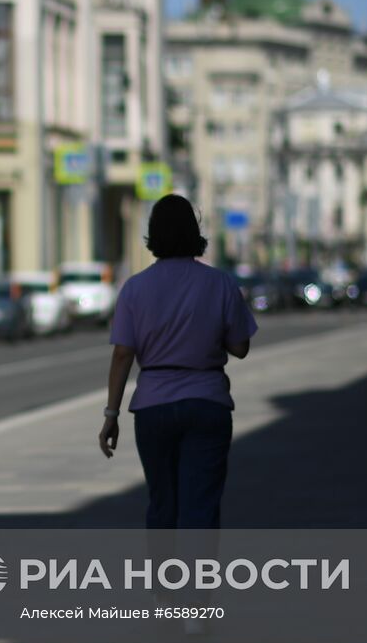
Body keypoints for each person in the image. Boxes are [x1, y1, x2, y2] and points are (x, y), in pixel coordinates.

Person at [99, 194, 257, 531]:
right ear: (193, 232)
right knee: (200, 510)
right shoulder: (221, 283)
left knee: (162, 506)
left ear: (153, 235)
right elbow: (241, 347)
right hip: (207, 401)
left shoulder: (134, 289)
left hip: (153, 406)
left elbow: (123, 353)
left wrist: (111, 415)